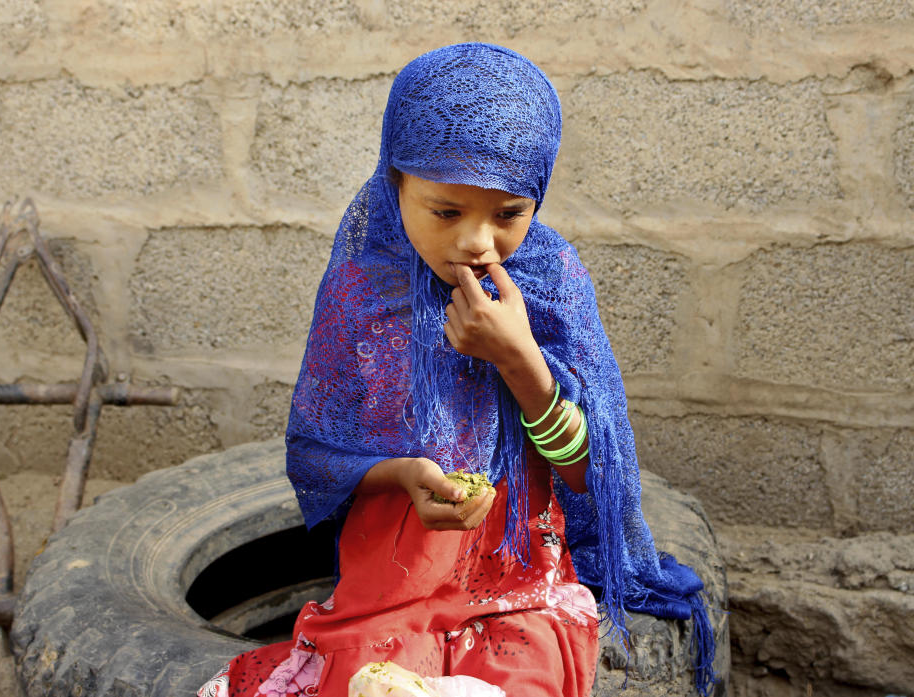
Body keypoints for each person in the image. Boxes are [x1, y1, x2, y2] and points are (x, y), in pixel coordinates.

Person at [198, 43, 715, 697]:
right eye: (446, 211)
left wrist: (518, 356)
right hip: (395, 563)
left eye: (509, 214)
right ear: (396, 185)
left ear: (538, 197)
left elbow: (592, 475)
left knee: (529, 663)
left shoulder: (552, 283)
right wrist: (403, 475)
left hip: (518, 565)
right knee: (370, 669)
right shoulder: (363, 287)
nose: (477, 241)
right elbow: (317, 451)